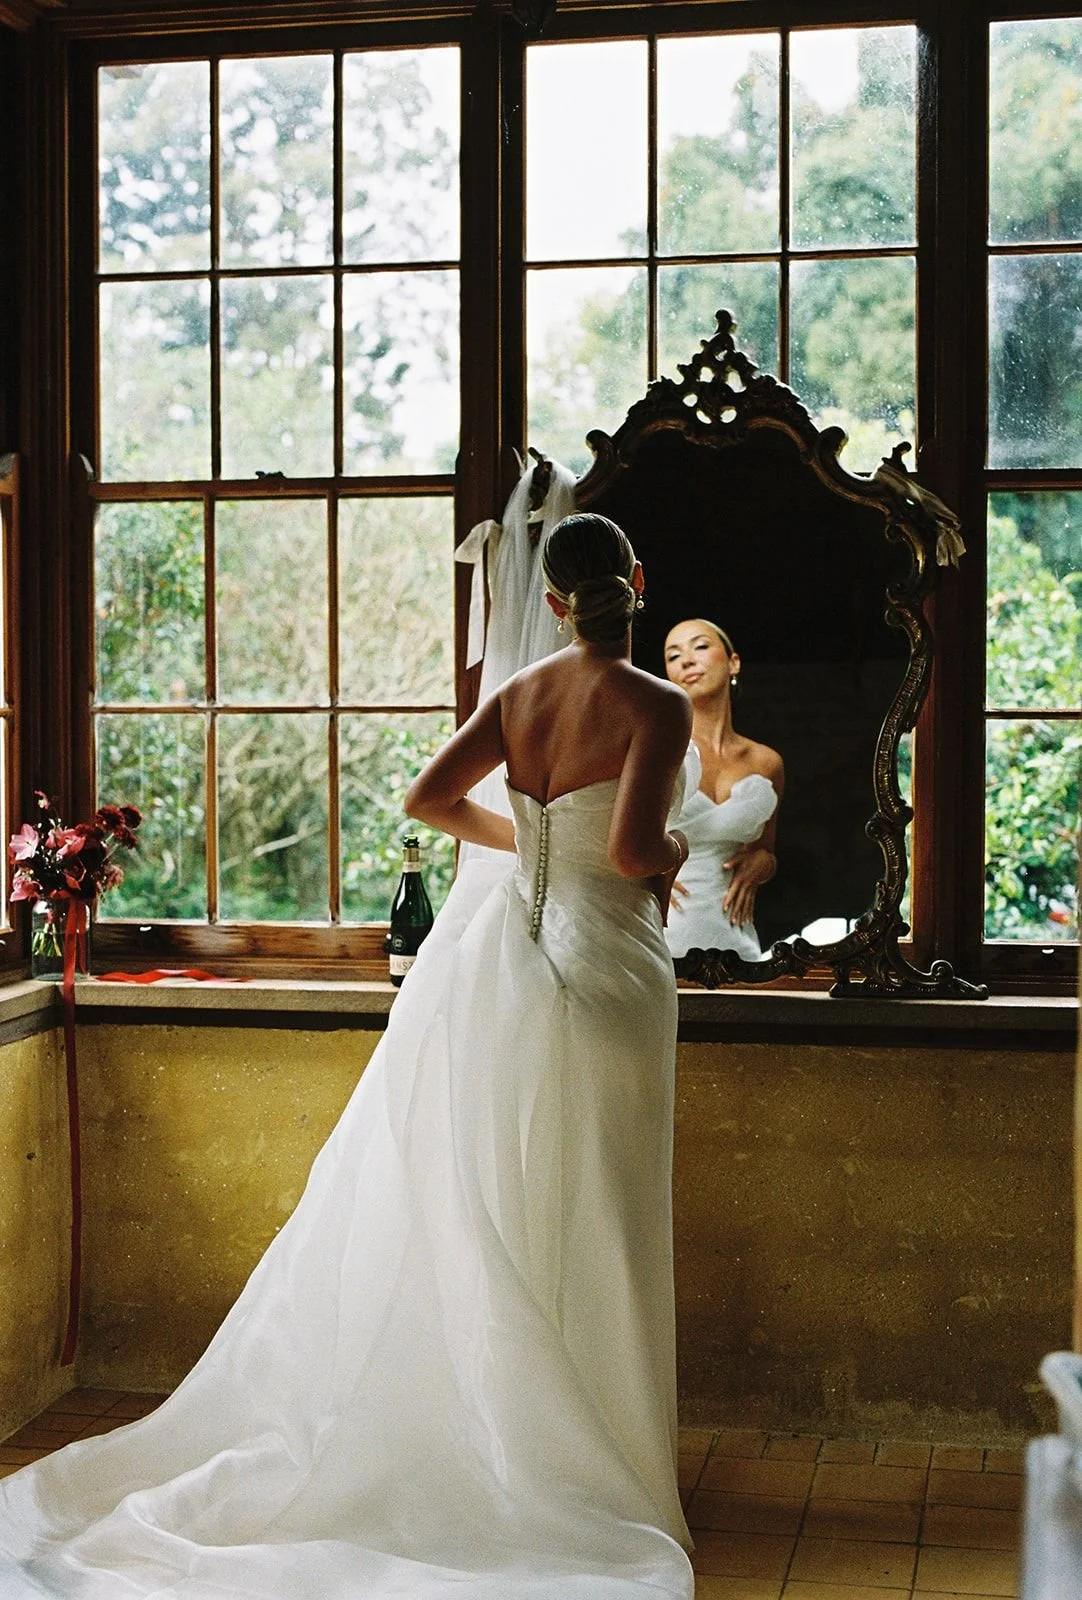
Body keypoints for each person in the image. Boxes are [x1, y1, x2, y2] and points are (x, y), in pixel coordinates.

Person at [0, 513, 696, 1600]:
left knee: (499, 1205)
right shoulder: (655, 703)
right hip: (608, 972)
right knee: (600, 1206)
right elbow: (633, 849)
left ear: (554, 601)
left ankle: (516, 1441)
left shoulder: (518, 696)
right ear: (637, 582)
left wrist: (531, 840)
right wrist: (680, 848)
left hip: (507, 962)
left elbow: (428, 798)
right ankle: (588, 1458)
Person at [663, 617, 784, 963]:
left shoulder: (767, 762)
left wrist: (765, 863)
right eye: (673, 656)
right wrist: (645, 873)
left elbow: (764, 851)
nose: (687, 660)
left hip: (735, 933)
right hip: (664, 929)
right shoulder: (660, 750)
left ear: (734, 663)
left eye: (700, 646)